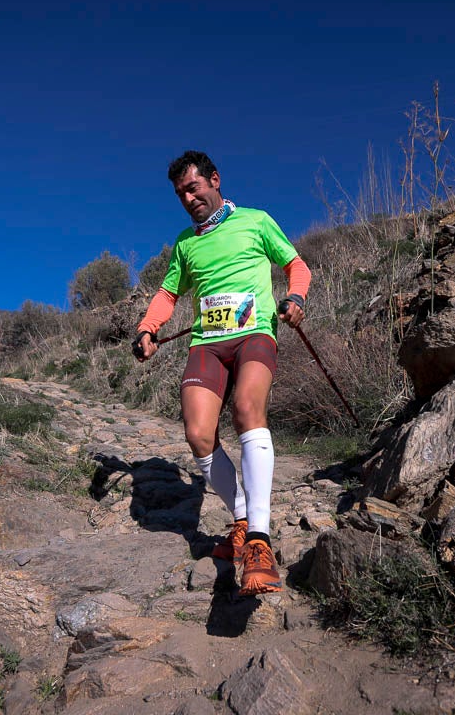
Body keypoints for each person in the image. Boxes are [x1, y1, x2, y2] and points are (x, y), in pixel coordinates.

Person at [133, 150, 311, 595]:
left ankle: (259, 541)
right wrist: (148, 328)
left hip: (254, 334)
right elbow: (168, 294)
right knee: (198, 434)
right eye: (180, 194)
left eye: (193, 188)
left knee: (247, 410)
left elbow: (296, 265)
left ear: (214, 180)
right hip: (207, 344)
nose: (188, 199)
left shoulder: (256, 221)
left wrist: (296, 298)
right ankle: (242, 520)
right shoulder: (185, 244)